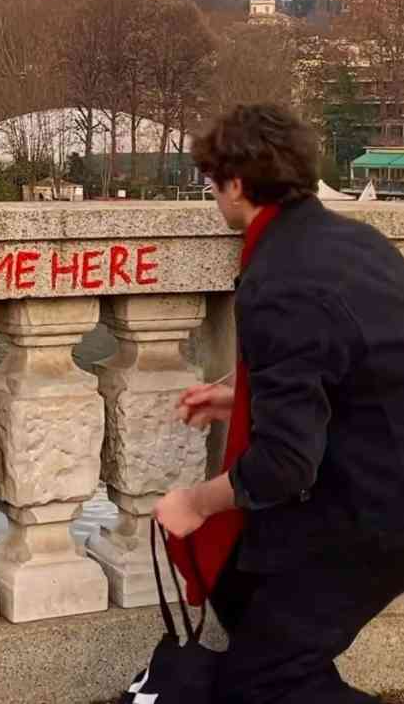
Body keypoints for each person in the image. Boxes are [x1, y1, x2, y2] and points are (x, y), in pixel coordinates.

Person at [155, 103, 404, 704]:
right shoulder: (356, 241)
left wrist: (194, 503)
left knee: (259, 684)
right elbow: (355, 368)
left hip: (375, 512)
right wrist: (241, 399)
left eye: (213, 182)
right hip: (374, 476)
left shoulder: (279, 281)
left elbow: (285, 465)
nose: (213, 196)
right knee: (242, 592)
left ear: (237, 185)